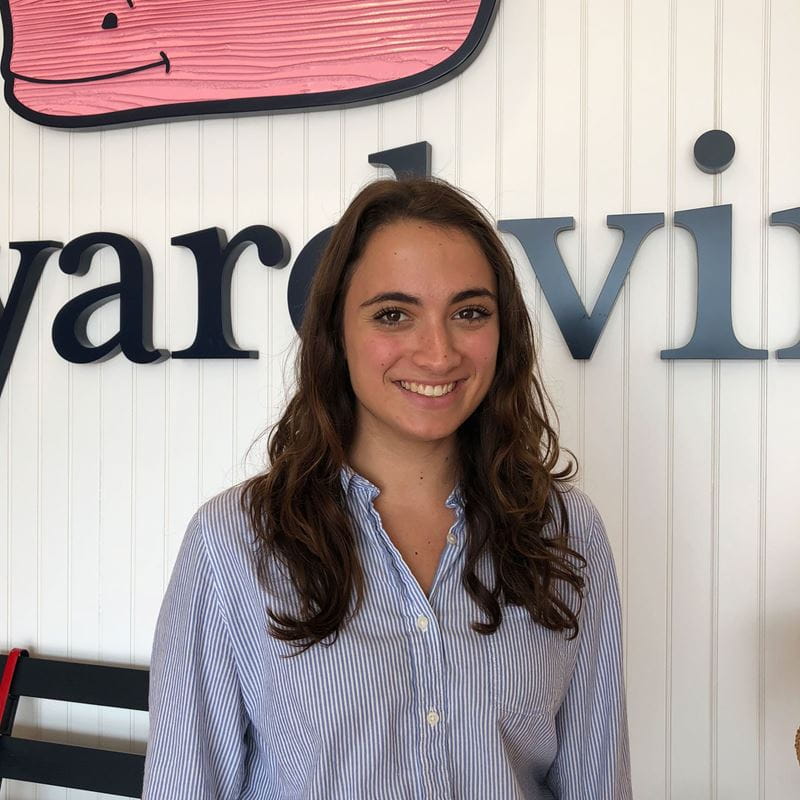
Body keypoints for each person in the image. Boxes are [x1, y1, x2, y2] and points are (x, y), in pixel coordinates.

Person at [141, 177, 632, 799]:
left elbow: (597, 783)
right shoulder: (231, 542)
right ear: (334, 333)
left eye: (469, 312)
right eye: (394, 315)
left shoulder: (566, 531)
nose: (437, 353)